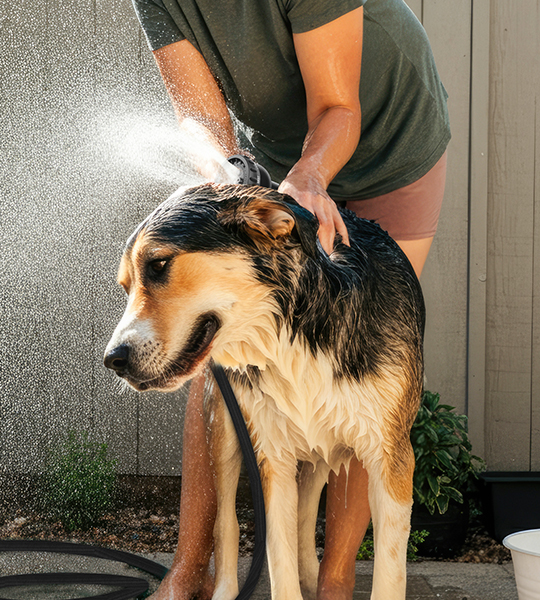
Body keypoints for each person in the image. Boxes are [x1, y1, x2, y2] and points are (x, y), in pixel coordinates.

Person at [131, 1, 451, 600]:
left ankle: (334, 584)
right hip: (283, 150)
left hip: (390, 135)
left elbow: (339, 107)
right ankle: (189, 571)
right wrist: (220, 171)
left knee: (364, 360)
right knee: (219, 348)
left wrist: (310, 177)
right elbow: (198, 114)